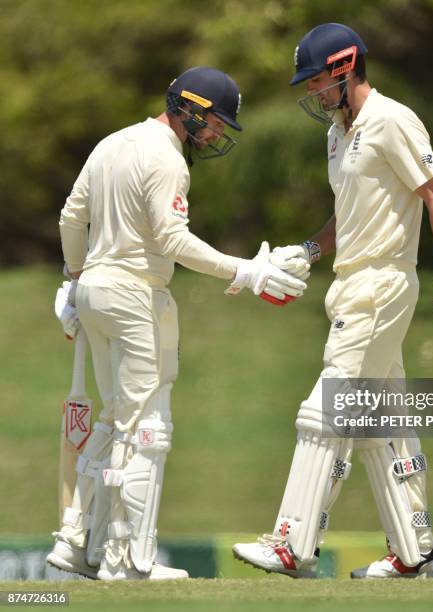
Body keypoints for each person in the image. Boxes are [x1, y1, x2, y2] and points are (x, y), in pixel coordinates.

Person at [233, 23, 433, 579]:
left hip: (382, 285)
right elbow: (348, 217)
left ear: (346, 68)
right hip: (351, 282)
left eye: (318, 81)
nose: (313, 93)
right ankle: (416, 553)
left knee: (325, 412)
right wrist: (307, 250)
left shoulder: (392, 120)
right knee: (385, 424)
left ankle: (291, 545)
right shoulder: (337, 134)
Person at [47, 66, 307, 581]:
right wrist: (245, 271)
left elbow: (70, 219)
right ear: (189, 108)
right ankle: (129, 563)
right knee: (147, 429)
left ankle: (79, 543)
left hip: (97, 291)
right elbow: (172, 241)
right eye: (214, 123)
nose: (215, 134)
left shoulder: (112, 143)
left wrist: (75, 280)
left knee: (115, 418)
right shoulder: (167, 160)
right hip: (135, 294)